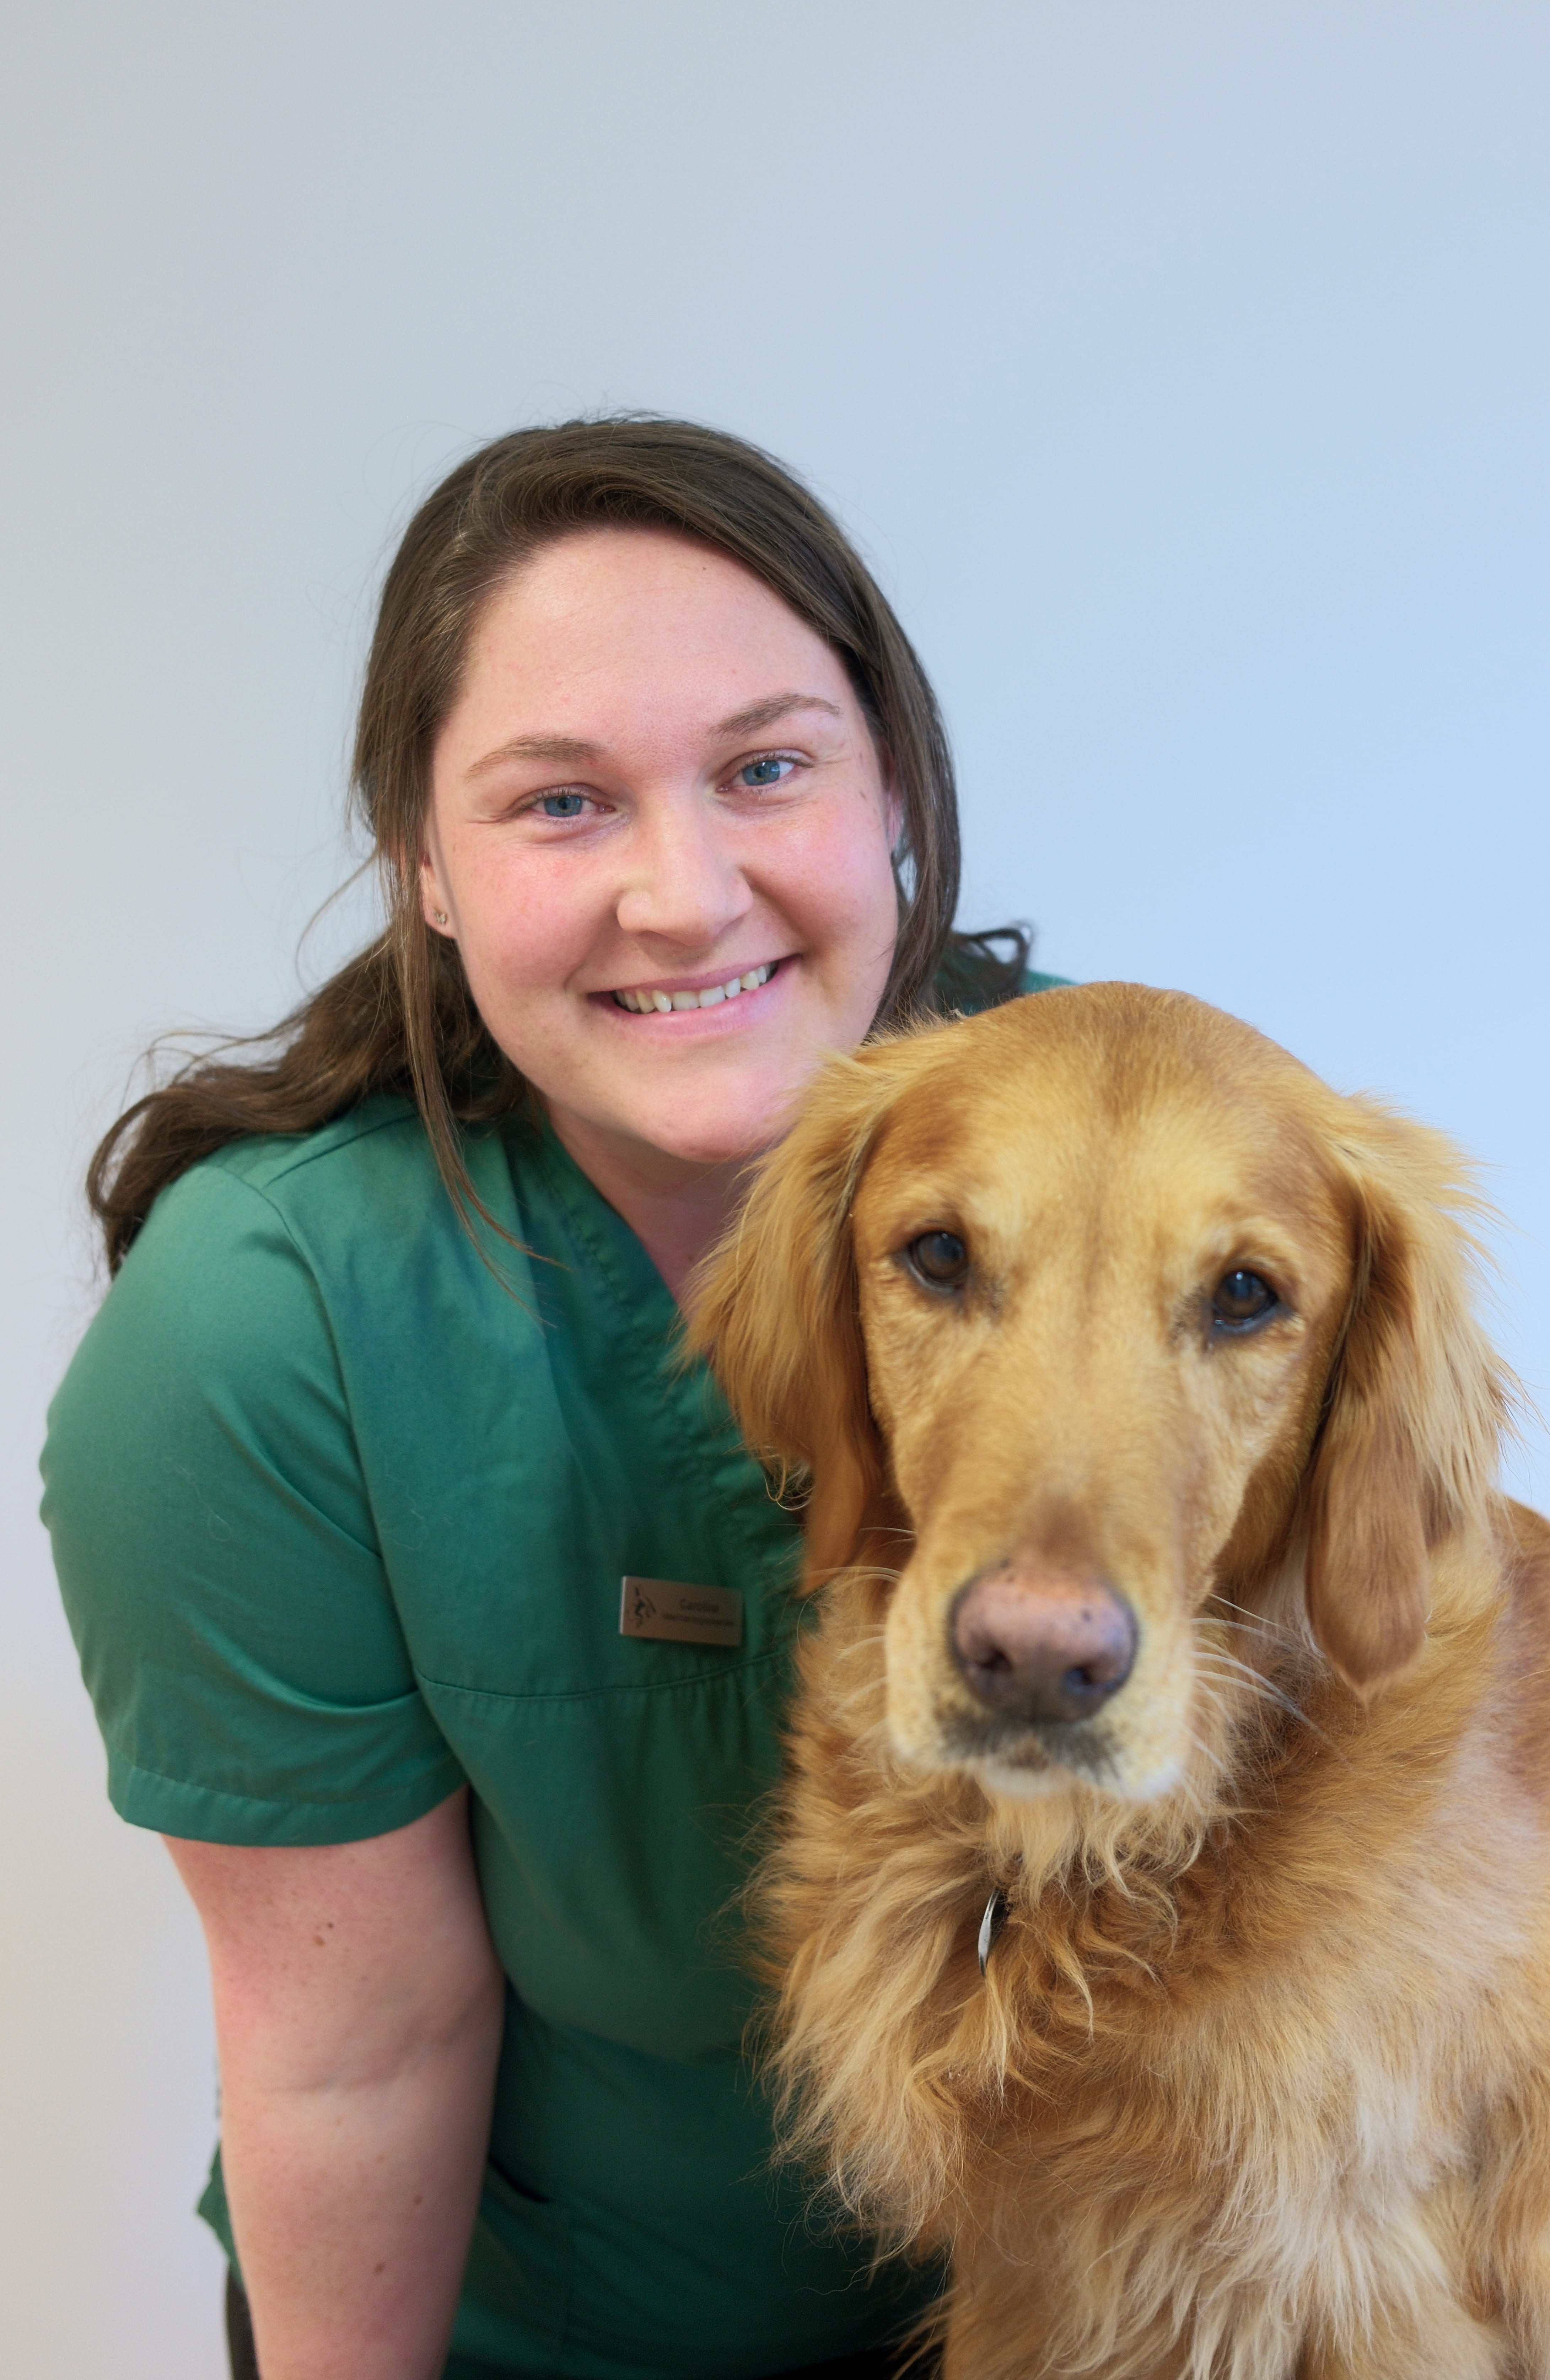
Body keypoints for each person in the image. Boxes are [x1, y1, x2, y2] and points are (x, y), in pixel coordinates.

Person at [40, 418, 1057, 2380]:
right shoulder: (267, 1339)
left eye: (767, 769)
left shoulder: (1130, 1163)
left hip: (1059, 2314)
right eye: (562, 805)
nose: (686, 897)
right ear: (424, 864)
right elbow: (361, 2045)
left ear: (897, 800)